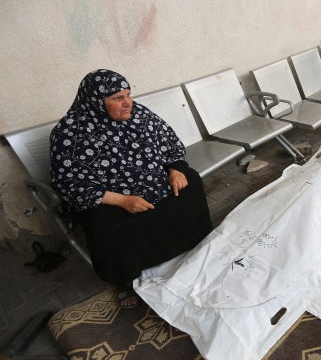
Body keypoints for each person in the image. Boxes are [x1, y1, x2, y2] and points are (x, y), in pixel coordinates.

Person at [50, 70, 213, 308]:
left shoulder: (139, 114)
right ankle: (126, 279)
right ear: (97, 102)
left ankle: (190, 244)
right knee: (104, 221)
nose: (128, 103)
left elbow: (169, 141)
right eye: (117, 98)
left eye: (128, 95)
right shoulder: (69, 133)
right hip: (106, 197)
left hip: (151, 181)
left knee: (190, 182)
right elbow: (68, 182)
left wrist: (176, 168)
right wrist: (122, 201)